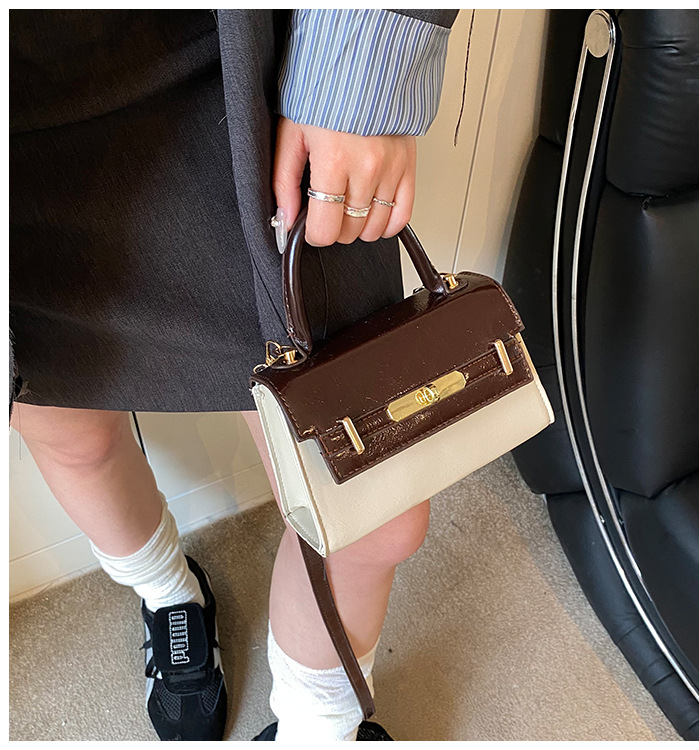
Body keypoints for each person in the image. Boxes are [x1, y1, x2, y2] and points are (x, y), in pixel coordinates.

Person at [9, 9, 458, 742]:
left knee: (370, 513)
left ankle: (317, 724)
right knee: (71, 437)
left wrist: (367, 56)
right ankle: (169, 594)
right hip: (19, 135)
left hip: (238, 67)